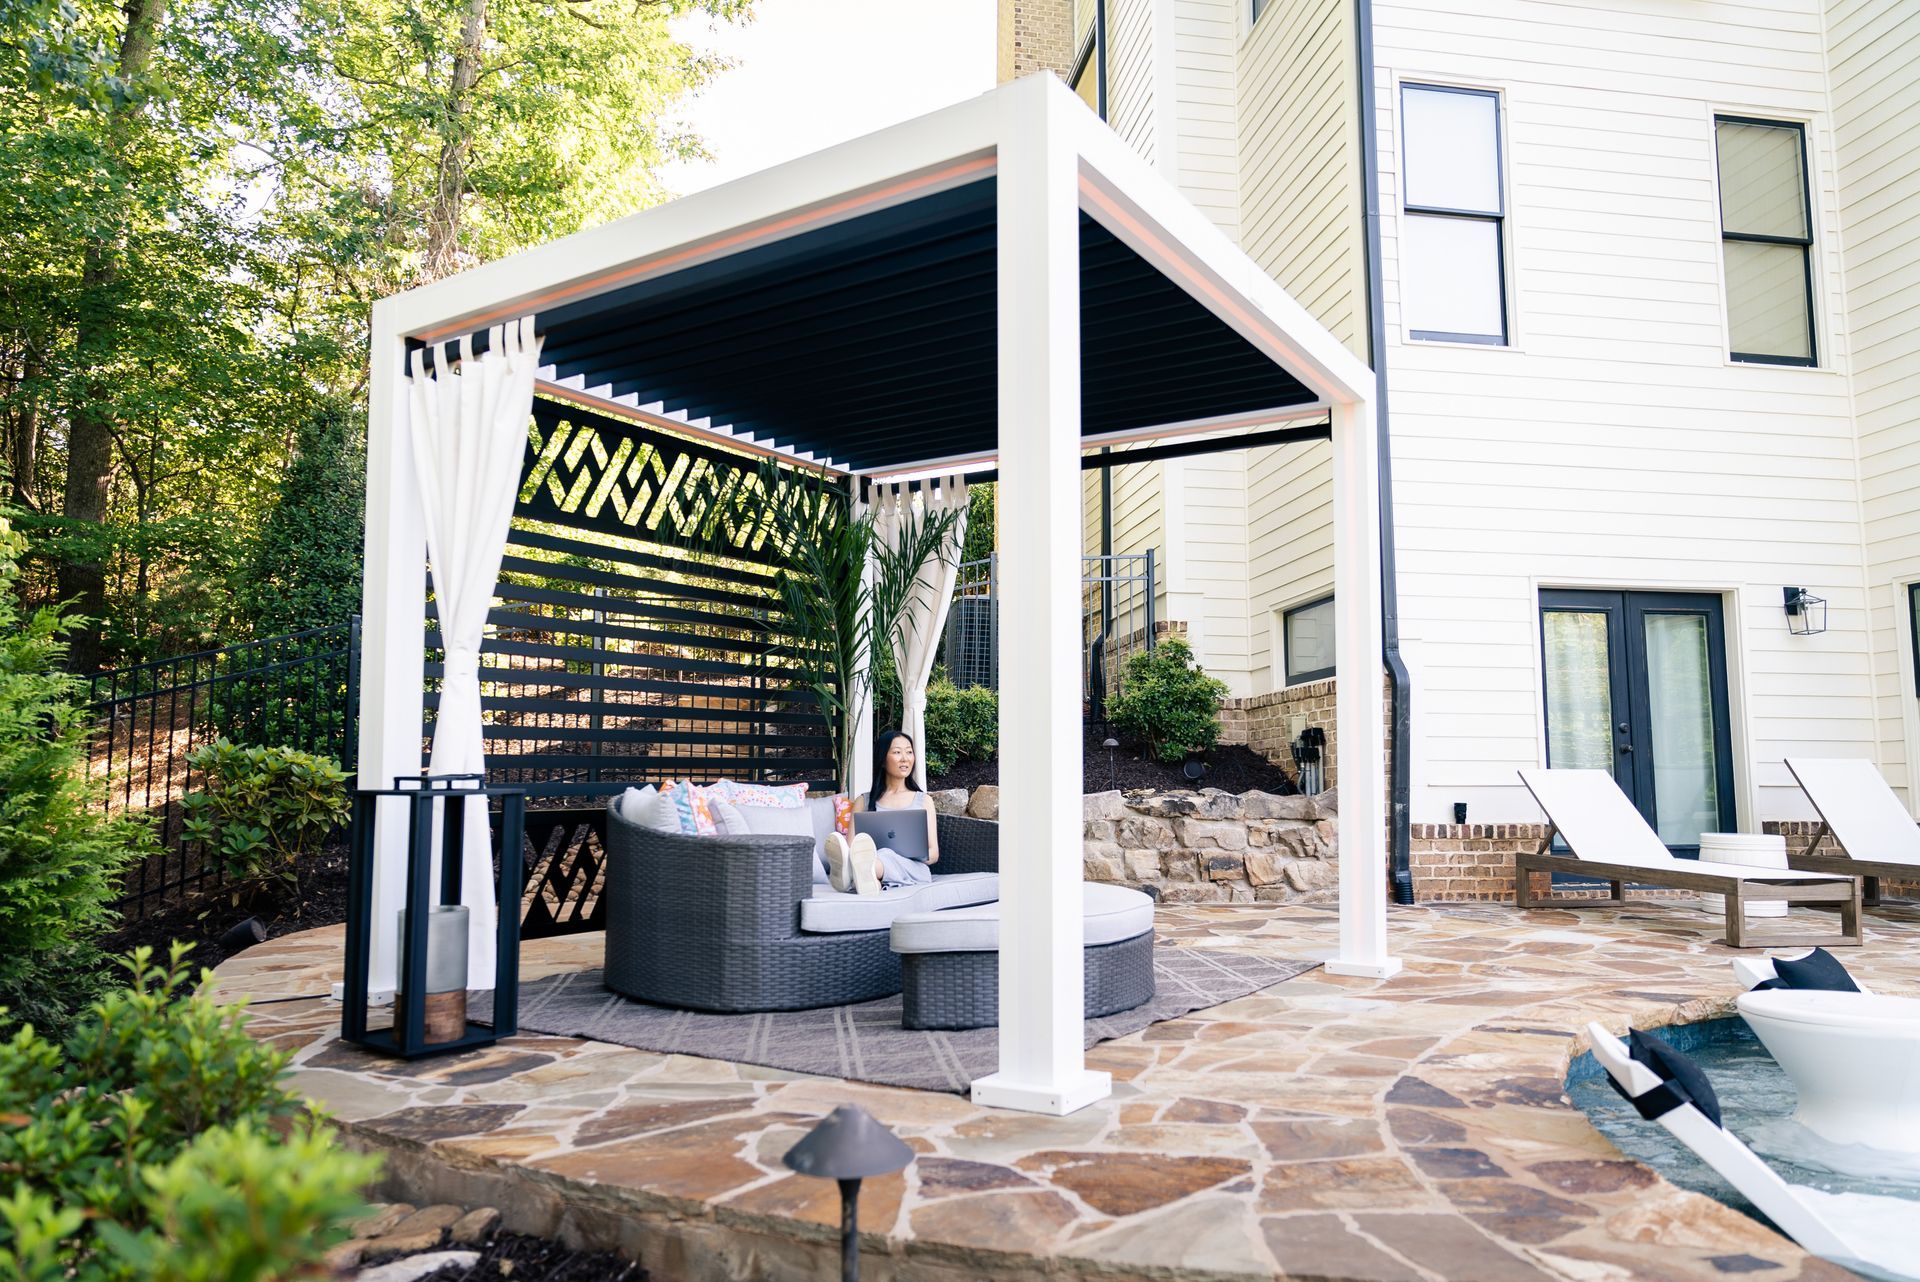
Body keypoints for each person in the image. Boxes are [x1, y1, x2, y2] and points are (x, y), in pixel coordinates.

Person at [824, 730, 941, 895]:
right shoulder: (863, 801)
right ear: (883, 760)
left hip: (913, 870)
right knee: (869, 864)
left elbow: (934, 853)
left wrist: (901, 854)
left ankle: (853, 874)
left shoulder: (924, 801)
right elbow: (852, 848)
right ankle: (869, 880)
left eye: (909, 752)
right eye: (897, 752)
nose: (905, 758)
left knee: (884, 854)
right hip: (873, 867)